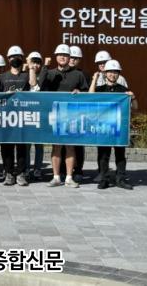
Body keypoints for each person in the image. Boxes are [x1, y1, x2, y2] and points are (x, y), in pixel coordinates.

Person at [41, 44, 89, 188]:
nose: (62, 57)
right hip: (55, 114)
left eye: (66, 55)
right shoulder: (50, 73)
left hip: (72, 115)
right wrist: (45, 67)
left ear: (69, 57)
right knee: (56, 147)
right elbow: (40, 87)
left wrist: (80, 92)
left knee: (70, 147)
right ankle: (56, 177)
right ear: (56, 57)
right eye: (60, 55)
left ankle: (69, 177)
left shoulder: (78, 74)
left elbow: (86, 93)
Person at [89, 59, 137, 190]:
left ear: (119, 74)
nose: (113, 74)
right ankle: (104, 179)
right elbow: (90, 97)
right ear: (105, 73)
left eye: (115, 72)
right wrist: (94, 79)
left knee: (120, 154)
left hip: (118, 127)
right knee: (103, 155)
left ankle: (120, 179)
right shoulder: (100, 89)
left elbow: (135, 108)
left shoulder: (123, 90)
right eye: (110, 72)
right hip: (103, 127)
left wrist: (133, 97)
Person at [0, 46, 32, 187]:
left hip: (22, 117)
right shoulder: (3, 77)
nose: (15, 59)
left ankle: (21, 174)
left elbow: (33, 86)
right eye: (12, 57)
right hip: (6, 117)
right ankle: (8, 173)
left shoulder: (26, 76)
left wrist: (30, 68)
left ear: (22, 58)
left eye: (18, 56)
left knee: (22, 147)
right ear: (8, 59)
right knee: (6, 147)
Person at [68, 45, 89, 182]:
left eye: (76, 58)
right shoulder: (59, 73)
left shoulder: (84, 75)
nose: (73, 60)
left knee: (78, 144)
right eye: (71, 57)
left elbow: (88, 93)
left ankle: (78, 170)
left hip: (78, 114)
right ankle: (63, 170)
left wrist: (81, 92)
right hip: (63, 114)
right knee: (63, 144)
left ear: (79, 60)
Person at [25, 51, 45, 180]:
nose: (35, 65)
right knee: (26, 145)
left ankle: (37, 169)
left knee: (39, 145)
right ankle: (26, 168)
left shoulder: (44, 76)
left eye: (38, 63)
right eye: (33, 62)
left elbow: (36, 86)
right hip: (26, 114)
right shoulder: (24, 75)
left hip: (39, 115)